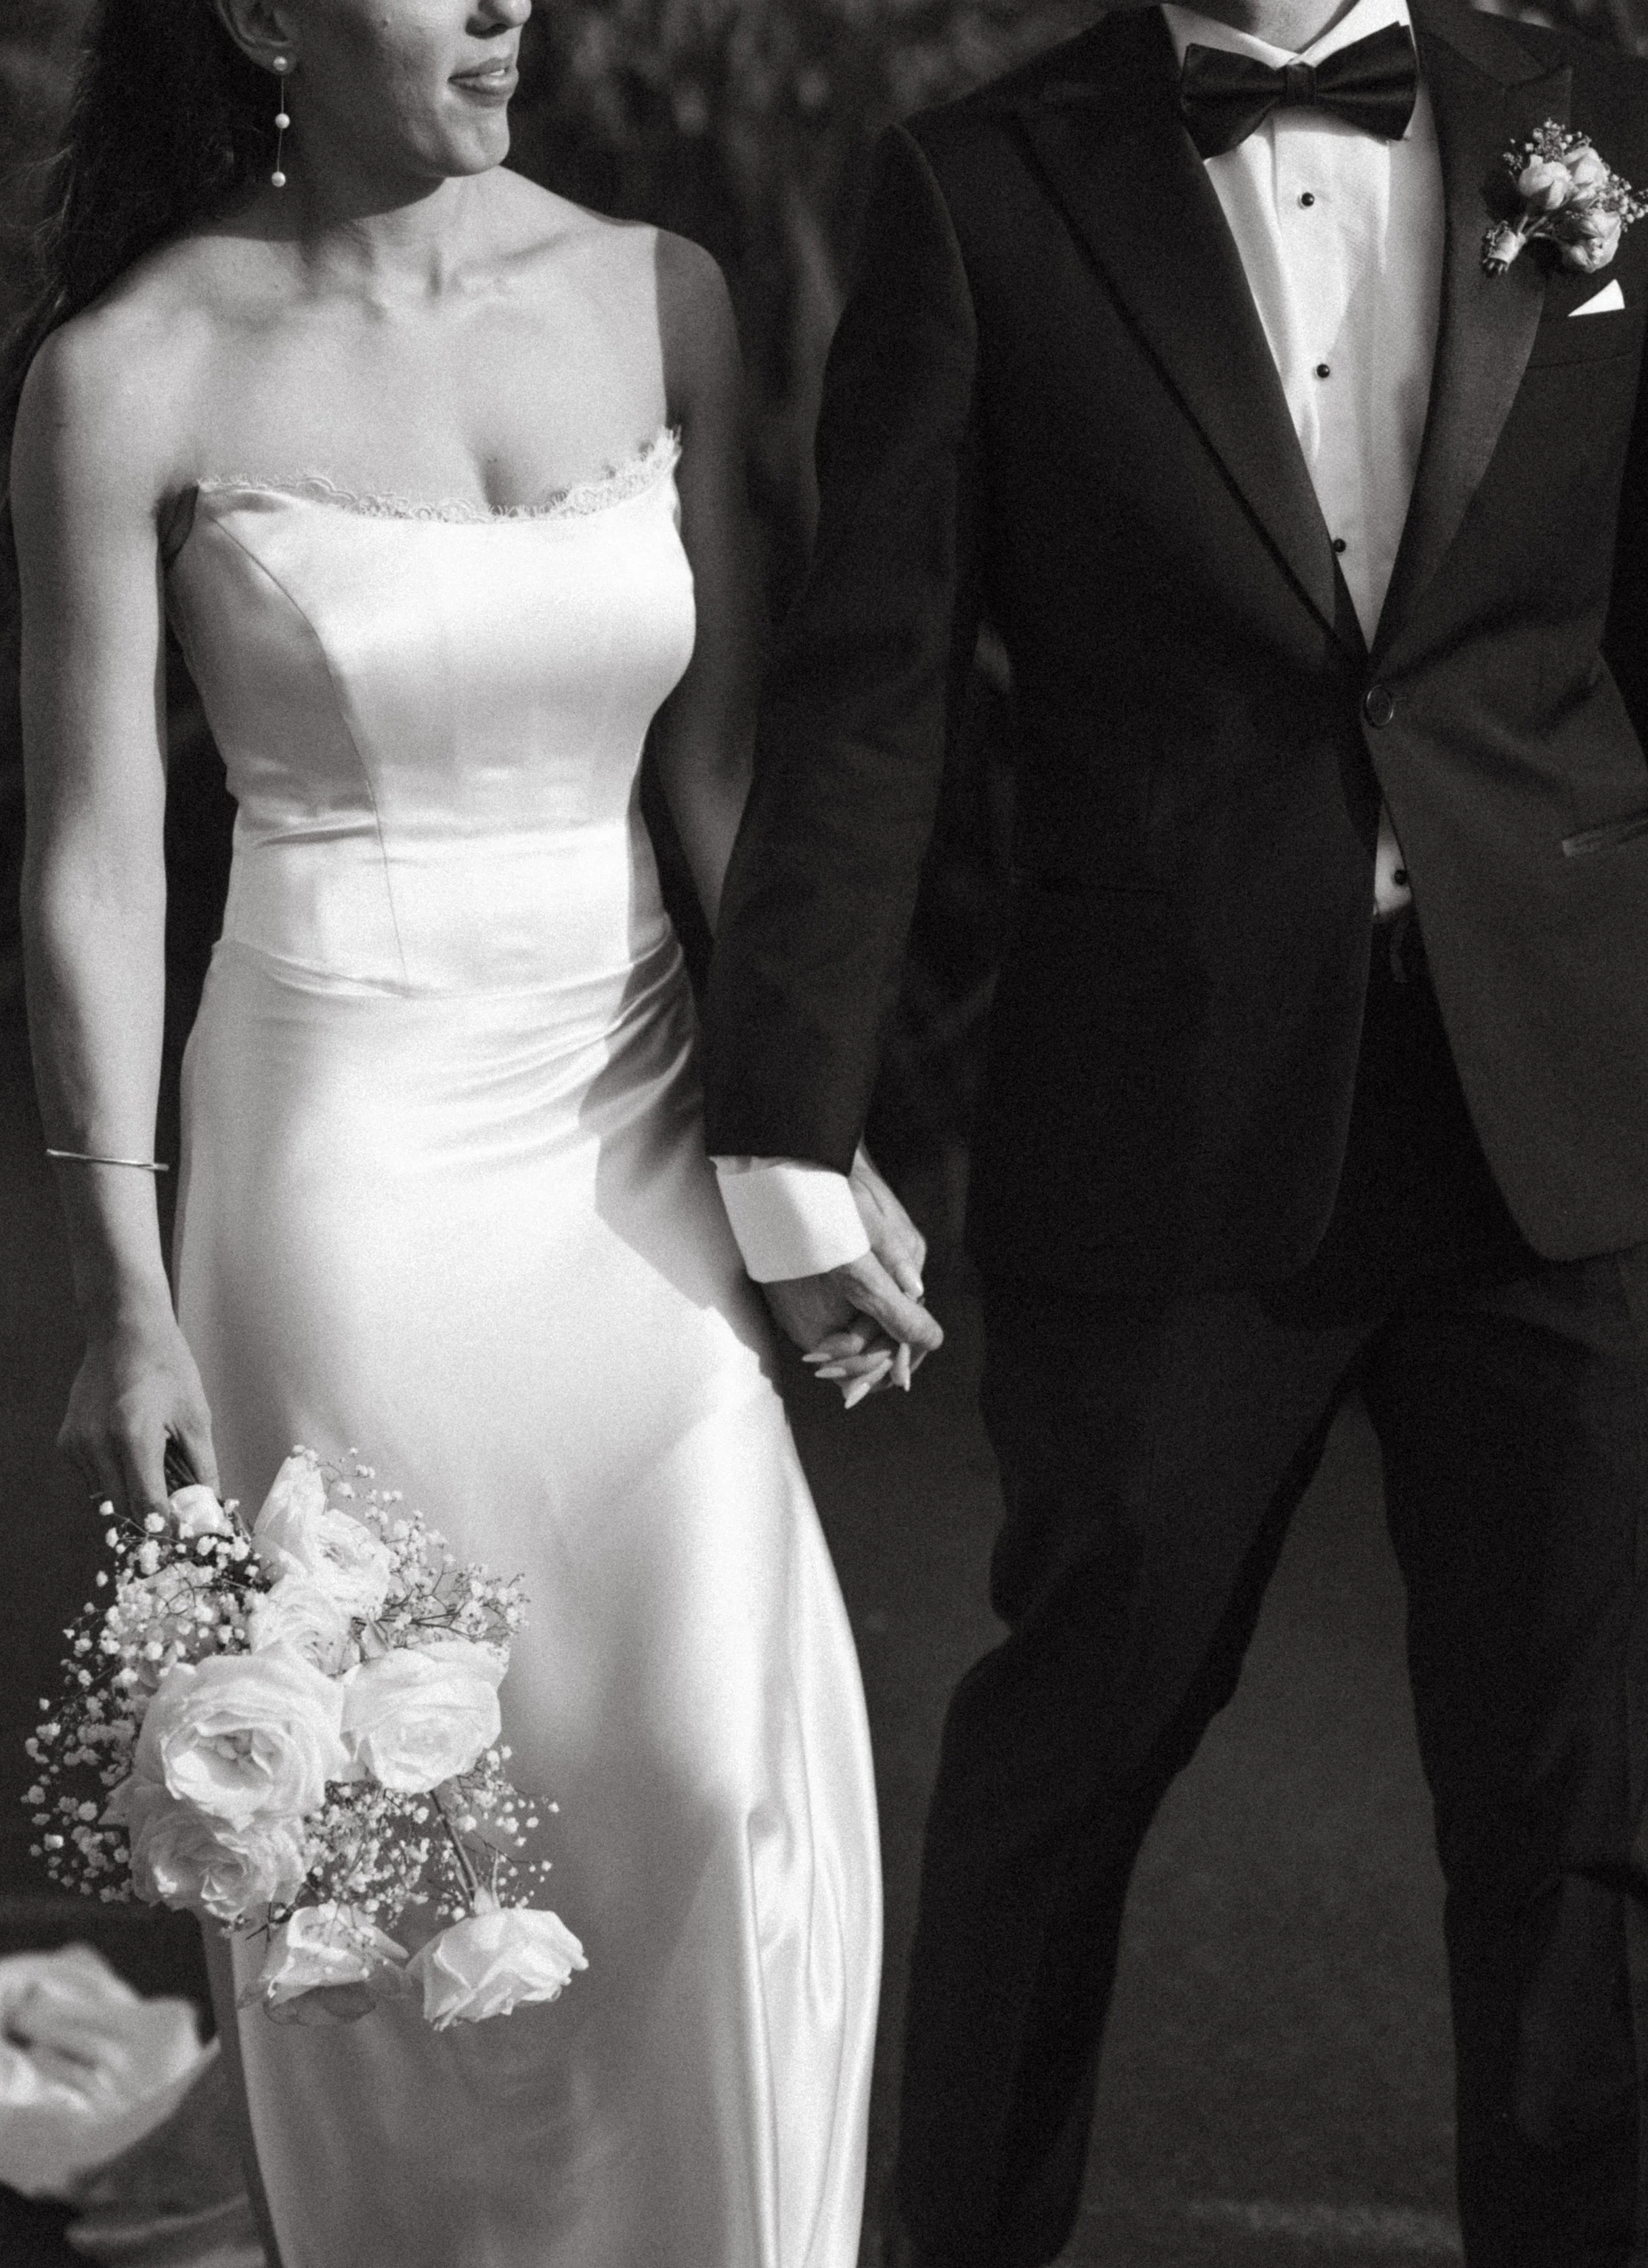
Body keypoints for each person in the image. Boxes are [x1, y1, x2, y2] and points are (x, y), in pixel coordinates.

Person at [701, 0, 1648, 2258]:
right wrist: (786, 1120)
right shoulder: (982, 188)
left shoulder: (1595, 113)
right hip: (1170, 1106)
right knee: (1073, 1753)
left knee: (1582, 1809)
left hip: (1555, 1094)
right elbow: (873, 686)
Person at [10, 0, 912, 2259]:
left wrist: (804, 1133)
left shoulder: (659, 293)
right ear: (263, 14)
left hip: (634, 1115)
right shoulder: (131, 372)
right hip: (340, 1176)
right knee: (415, 1850)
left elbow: (724, 773)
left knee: (709, 1770)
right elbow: (97, 859)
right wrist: (123, 1284)